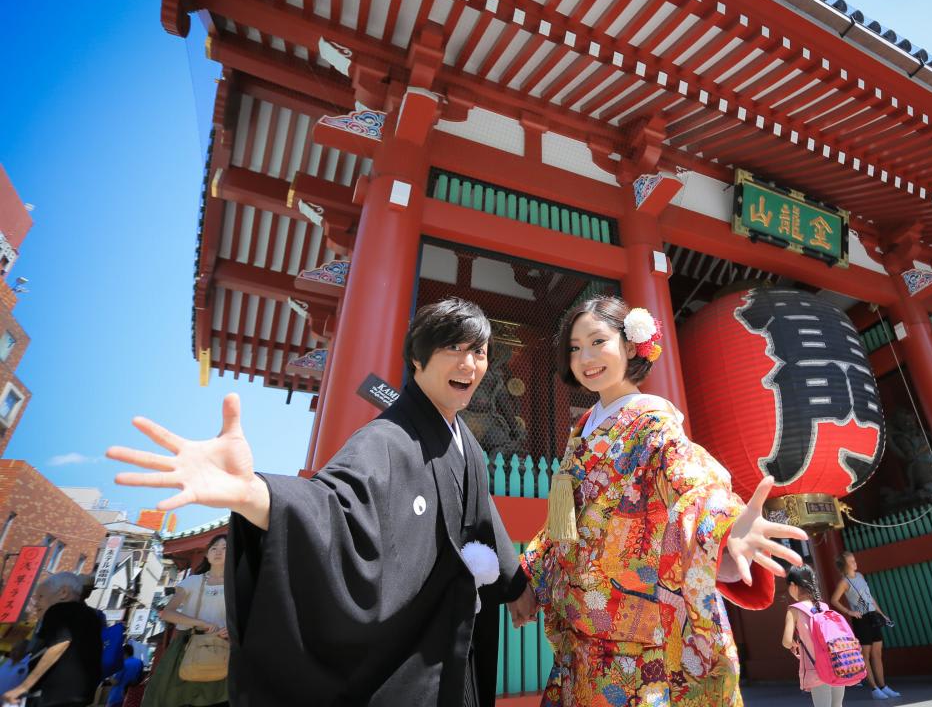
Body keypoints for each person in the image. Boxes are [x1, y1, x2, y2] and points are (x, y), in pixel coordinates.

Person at [108, 298, 534, 707]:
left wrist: (515, 586)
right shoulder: (387, 439)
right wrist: (255, 494)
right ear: (418, 359)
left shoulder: (466, 444)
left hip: (457, 650)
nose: (469, 363)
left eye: (478, 351)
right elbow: (334, 504)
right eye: (453, 348)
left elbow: (482, 517)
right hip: (411, 663)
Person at [519, 297, 807, 705]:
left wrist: (726, 526)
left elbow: (690, 478)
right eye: (575, 347)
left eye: (598, 341)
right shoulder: (583, 429)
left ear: (631, 344)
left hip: (635, 633)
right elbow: (564, 521)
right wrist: (528, 579)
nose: (585, 358)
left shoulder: (653, 422)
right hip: (582, 633)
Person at [141, 535, 228, 707]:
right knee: (175, 697)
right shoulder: (192, 581)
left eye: (225, 548)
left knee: (218, 697)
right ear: (207, 555)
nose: (218, 552)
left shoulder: (237, 584)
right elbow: (167, 613)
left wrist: (233, 630)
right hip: (188, 644)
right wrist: (200, 623)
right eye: (214, 548)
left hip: (222, 645)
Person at [2, 572, 103, 707]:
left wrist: (24, 687)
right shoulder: (92, 615)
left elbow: (60, 643)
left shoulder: (57, 609)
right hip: (81, 693)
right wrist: (26, 645)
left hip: (53, 693)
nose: (36, 603)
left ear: (63, 593)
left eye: (41, 596)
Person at [830, 552, 898, 699]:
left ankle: (883, 686)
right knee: (865, 655)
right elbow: (834, 600)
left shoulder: (860, 576)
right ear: (845, 565)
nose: (855, 562)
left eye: (854, 560)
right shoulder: (844, 582)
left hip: (873, 616)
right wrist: (850, 612)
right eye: (851, 561)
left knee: (877, 653)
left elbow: (869, 597)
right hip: (861, 620)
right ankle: (874, 689)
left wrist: (882, 614)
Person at [782, 565, 845, 707]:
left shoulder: (794, 610)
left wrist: (793, 644)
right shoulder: (823, 607)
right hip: (836, 664)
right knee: (837, 704)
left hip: (817, 669)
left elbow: (786, 641)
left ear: (793, 586)